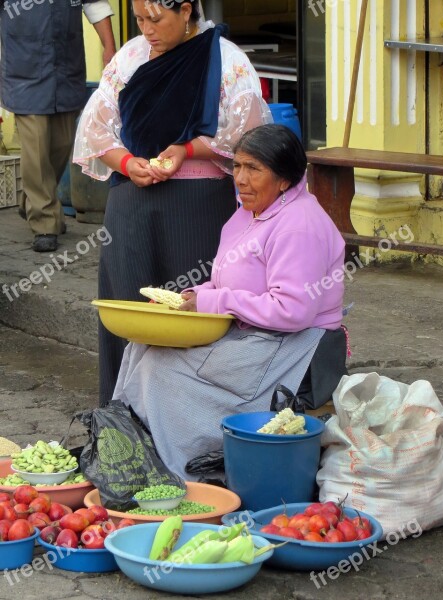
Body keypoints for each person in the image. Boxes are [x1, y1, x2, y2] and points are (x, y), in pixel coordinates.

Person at [112, 124, 348, 480]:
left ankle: (174, 470)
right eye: (237, 166)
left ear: (284, 179)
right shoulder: (248, 213)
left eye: (254, 169)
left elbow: (293, 310)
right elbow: (229, 279)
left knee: (160, 371)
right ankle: (129, 454)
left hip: (292, 347)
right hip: (253, 332)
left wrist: (215, 301)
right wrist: (196, 296)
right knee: (141, 348)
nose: (241, 178)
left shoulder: (299, 225)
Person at [73, 0, 272, 406]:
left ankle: (188, 419)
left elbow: (247, 135)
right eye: (140, 19)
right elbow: (95, 129)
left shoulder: (226, 60)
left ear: (186, 11)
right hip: (132, 205)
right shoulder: (129, 57)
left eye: (156, 19)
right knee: (129, 311)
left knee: (192, 313)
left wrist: (186, 149)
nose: (146, 29)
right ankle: (122, 422)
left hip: (197, 208)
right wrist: (127, 163)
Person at [0, 0, 116, 253]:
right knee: (37, 145)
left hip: (66, 70)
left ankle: (33, 200)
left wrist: (109, 47)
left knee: (63, 144)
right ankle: (44, 223)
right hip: (24, 73)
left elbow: (95, 5)